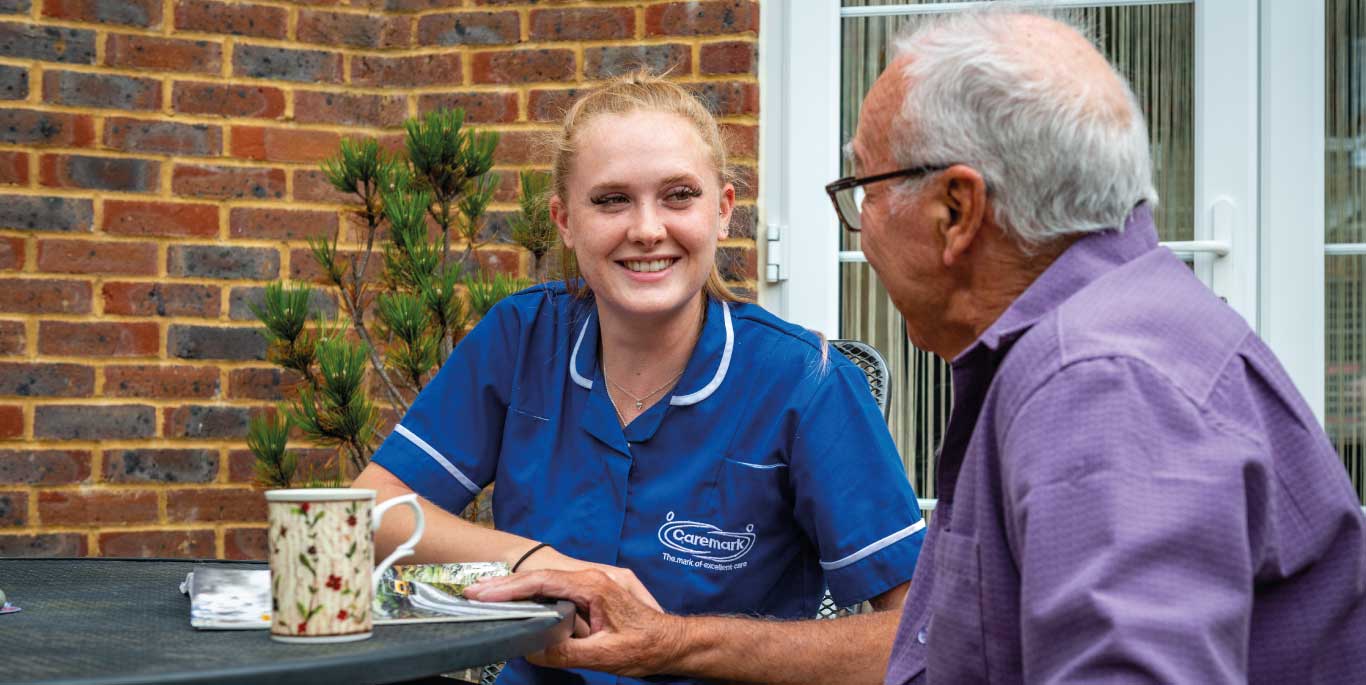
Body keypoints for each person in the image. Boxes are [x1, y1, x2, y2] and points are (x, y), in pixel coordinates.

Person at [467, 9, 1366, 684]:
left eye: (863, 181)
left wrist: (674, 644)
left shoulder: (1103, 385)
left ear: (956, 211)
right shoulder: (1087, 339)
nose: (857, 219)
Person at [353, 72, 926, 685]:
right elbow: (369, 512)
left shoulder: (808, 384)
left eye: (679, 195)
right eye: (610, 200)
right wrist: (548, 566)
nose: (647, 228)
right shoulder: (521, 339)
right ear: (565, 220)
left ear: (723, 211)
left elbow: (919, 635)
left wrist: (674, 644)